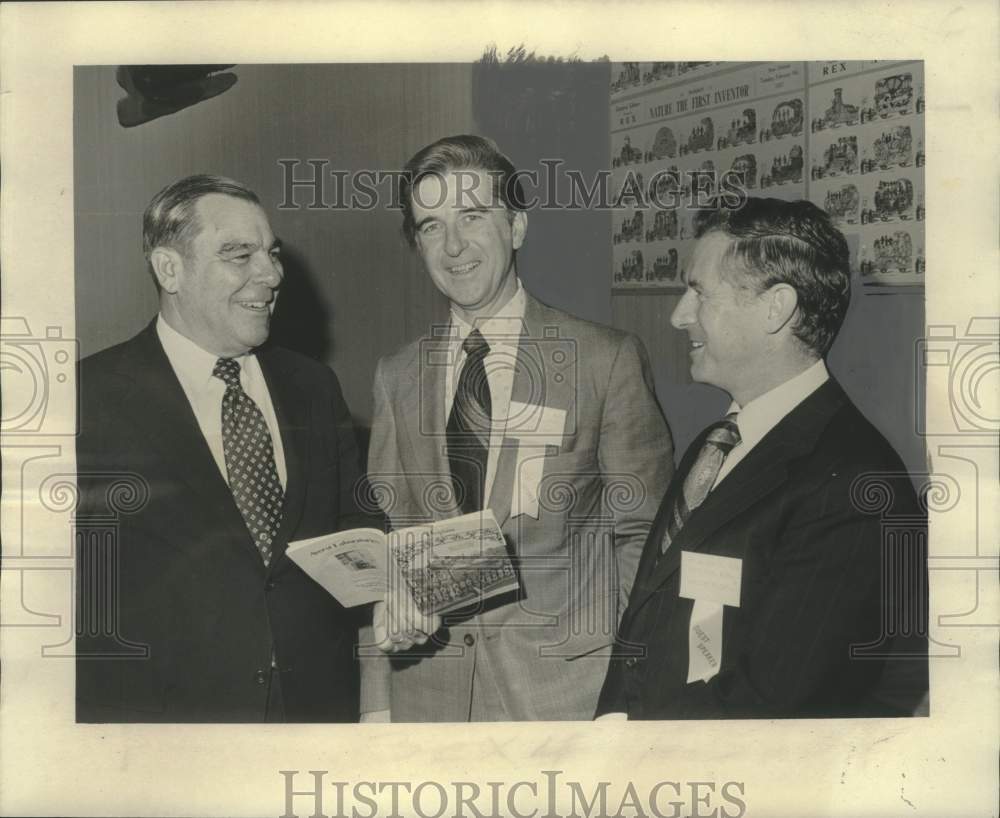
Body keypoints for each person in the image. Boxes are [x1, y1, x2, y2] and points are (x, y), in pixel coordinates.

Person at [361, 135, 674, 721]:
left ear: (517, 228)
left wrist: (613, 673)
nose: (454, 246)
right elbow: (385, 543)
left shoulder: (603, 360)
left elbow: (646, 540)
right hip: (430, 703)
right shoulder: (396, 376)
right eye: (431, 226)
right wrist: (376, 701)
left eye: (473, 217)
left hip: (565, 700)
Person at [597, 198, 928, 720]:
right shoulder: (715, 443)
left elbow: (773, 709)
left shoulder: (858, 487)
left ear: (776, 308)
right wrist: (612, 722)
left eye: (699, 292)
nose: (678, 315)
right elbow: (646, 625)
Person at [75, 174, 367, 722]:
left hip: (315, 716)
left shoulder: (314, 387)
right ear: (170, 269)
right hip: (168, 731)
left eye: (272, 253)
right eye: (239, 254)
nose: (271, 274)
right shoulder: (88, 402)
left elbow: (355, 527)